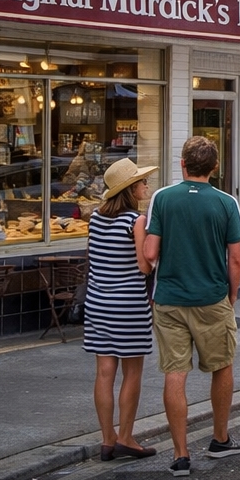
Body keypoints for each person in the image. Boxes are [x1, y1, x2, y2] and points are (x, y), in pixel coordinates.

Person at [140, 136, 240, 478]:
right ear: (214, 168)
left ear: (183, 164)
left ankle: (180, 454)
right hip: (211, 298)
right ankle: (220, 439)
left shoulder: (162, 198)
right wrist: (231, 296)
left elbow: (150, 253)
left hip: (169, 300)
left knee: (175, 372)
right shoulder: (226, 202)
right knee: (222, 365)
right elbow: (236, 259)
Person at [84, 158, 159, 462]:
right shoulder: (135, 221)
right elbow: (143, 266)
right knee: (132, 372)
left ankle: (107, 440)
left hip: (97, 303)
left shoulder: (95, 218)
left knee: (104, 373)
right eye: (142, 182)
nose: (146, 186)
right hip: (128, 305)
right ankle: (126, 437)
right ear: (130, 189)